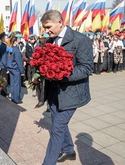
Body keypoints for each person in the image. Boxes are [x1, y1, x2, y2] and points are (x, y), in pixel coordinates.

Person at [40, 10, 93, 164]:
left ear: (60, 22)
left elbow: (86, 68)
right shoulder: (50, 41)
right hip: (54, 93)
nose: (46, 31)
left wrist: (62, 75)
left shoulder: (80, 40)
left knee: (57, 129)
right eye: (44, 28)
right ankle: (69, 150)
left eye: (48, 26)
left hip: (71, 93)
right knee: (58, 123)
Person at [0, 35, 25, 104]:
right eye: (18, 40)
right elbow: (19, 61)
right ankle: (16, 99)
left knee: (12, 84)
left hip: (10, 68)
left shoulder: (9, 48)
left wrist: (6, 67)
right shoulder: (16, 50)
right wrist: (22, 71)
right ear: (15, 41)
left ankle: (13, 97)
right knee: (17, 84)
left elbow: (5, 58)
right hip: (16, 69)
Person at [0, 32, 9, 98]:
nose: (8, 39)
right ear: (3, 39)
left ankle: (3, 92)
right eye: (6, 38)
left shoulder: (2, 45)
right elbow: (4, 58)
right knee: (4, 80)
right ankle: (3, 93)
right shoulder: (3, 47)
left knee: (2, 79)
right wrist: (7, 68)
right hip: (3, 66)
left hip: (2, 65)